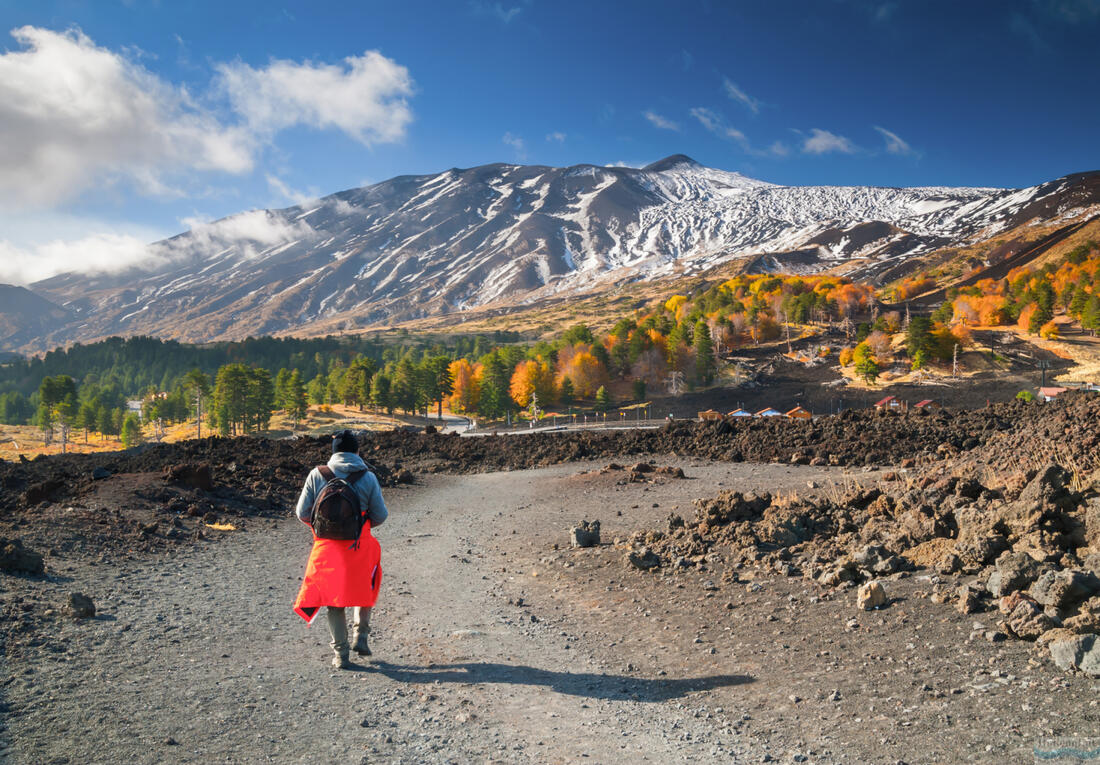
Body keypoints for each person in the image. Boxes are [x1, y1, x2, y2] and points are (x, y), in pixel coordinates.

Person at [292, 429, 388, 669]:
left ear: (333, 452)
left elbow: (302, 513)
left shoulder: (317, 475)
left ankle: (340, 655)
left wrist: (324, 529)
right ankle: (361, 635)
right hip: (359, 544)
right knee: (365, 585)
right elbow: (380, 515)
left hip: (327, 548)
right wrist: (360, 527)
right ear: (357, 451)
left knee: (332, 599)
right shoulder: (368, 477)